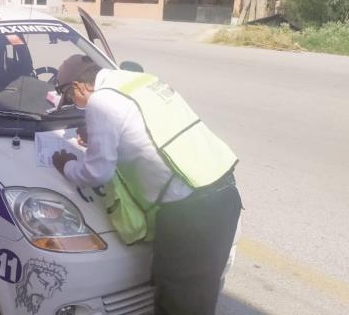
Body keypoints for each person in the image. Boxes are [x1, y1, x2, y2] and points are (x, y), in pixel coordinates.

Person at [51, 55, 242, 315]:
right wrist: (100, 139)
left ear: (78, 86)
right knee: (200, 296)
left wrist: (67, 166)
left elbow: (97, 173)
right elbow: (151, 133)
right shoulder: (140, 81)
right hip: (224, 193)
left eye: (72, 99)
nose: (76, 105)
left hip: (192, 214)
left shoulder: (101, 101)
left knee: (177, 302)